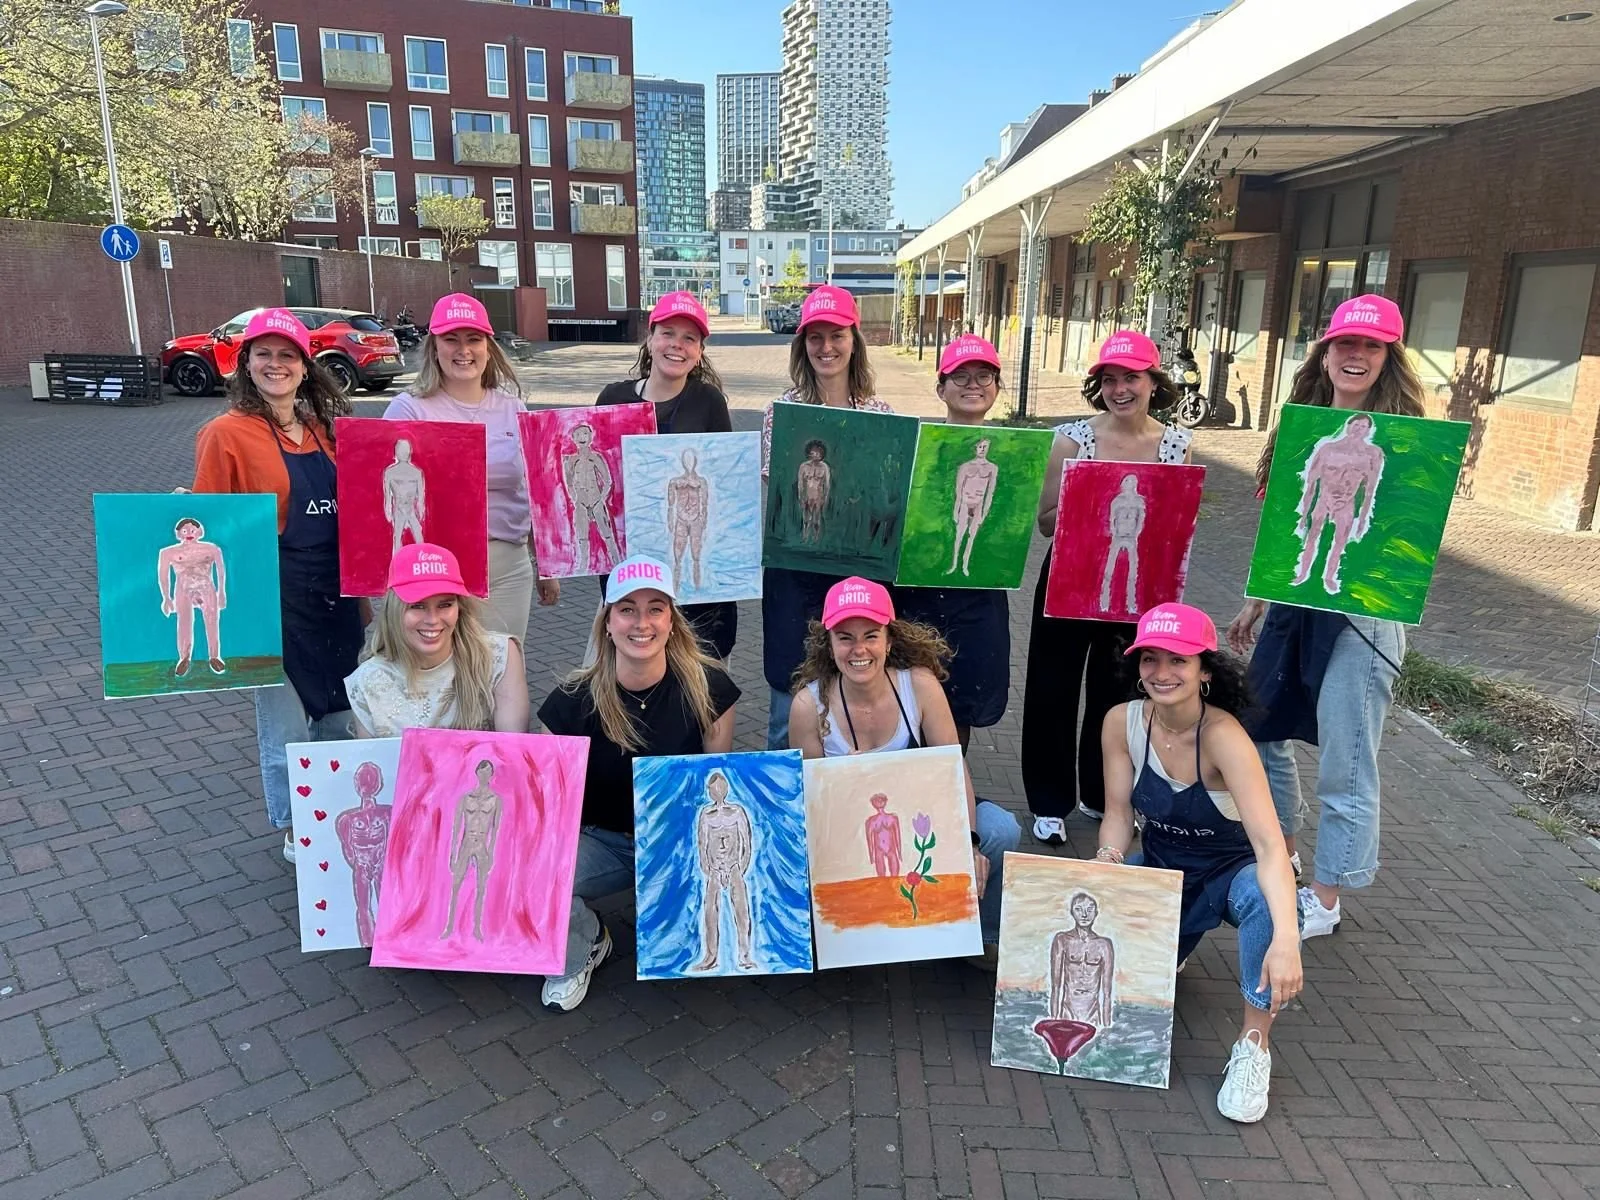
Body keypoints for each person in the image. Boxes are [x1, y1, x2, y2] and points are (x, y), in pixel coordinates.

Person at [1227, 294, 1422, 939]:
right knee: (1260, 730)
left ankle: (1327, 898)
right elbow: (1285, 518)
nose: (1356, 356)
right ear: (1327, 352)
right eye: (1346, 344)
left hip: (1362, 618)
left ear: (1388, 357)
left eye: (1371, 347)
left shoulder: (1410, 442)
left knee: (1348, 755)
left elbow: (1407, 536)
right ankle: (1281, 854)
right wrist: (1260, 595)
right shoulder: (1302, 428)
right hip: (1294, 602)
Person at [1098, 603, 1302, 1123]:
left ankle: (1253, 1048)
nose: (1162, 673)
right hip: (1164, 871)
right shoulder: (1122, 723)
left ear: (1204, 670)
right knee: (1103, 939)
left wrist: (1286, 938)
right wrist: (1107, 867)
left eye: (1178, 661)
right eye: (1150, 660)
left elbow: (1270, 846)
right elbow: (1119, 816)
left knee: (1267, 904)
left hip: (1230, 871)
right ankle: (1173, 943)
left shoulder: (1224, 737)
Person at [191, 307, 361, 863]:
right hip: (271, 595)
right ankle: (297, 829)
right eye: (263, 353)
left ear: (306, 365)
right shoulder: (225, 434)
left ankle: (333, 808)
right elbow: (212, 523)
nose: (275, 364)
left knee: (340, 708)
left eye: (287, 354)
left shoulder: (322, 429)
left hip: (335, 591)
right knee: (286, 720)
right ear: (245, 362)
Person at [537, 554, 739, 1011]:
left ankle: (688, 922)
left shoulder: (711, 691)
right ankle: (585, 944)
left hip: (680, 843)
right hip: (606, 841)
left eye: (655, 608)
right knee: (540, 872)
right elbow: (550, 805)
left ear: (672, 620)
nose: (641, 622)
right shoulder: (570, 703)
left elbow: (720, 780)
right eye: (627, 608)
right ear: (607, 622)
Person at [787, 577, 1022, 956]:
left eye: (871, 635)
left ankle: (982, 938)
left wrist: (970, 843)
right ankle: (852, 931)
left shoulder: (920, 686)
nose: (859, 649)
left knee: (1001, 830)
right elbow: (809, 805)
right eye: (845, 637)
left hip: (920, 818)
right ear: (828, 645)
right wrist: (842, 785)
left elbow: (953, 768)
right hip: (847, 831)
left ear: (889, 640)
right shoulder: (807, 706)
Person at [1021, 330, 1193, 845]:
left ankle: (1102, 794)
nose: (1121, 389)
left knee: (1117, 693)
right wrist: (1083, 501)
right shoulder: (1072, 439)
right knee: (1051, 690)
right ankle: (1049, 802)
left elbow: (1173, 528)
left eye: (1132, 378)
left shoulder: (1176, 443)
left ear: (1152, 383)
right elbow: (1046, 523)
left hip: (1137, 590)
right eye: (1110, 379)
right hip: (1069, 579)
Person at [760, 285, 896, 750]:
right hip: (794, 574)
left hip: (856, 572)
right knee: (788, 694)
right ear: (803, 346)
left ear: (854, 340)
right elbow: (777, 491)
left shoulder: (881, 415)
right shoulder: (781, 412)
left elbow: (886, 497)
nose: (826, 347)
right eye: (814, 338)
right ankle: (787, 802)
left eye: (836, 335)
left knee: (852, 683)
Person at [383, 293, 558, 643]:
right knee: (443, 680)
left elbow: (537, 490)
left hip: (508, 565)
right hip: (436, 569)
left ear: (488, 346)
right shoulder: (409, 410)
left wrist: (547, 565)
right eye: (451, 339)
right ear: (434, 347)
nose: (463, 350)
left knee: (504, 673)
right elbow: (374, 488)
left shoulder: (513, 410)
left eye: (473, 339)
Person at [596, 291, 737, 657]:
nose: (678, 345)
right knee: (636, 670)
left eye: (690, 338)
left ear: (700, 349)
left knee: (704, 682)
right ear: (650, 336)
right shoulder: (613, 399)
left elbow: (724, 482)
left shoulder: (708, 402)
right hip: (630, 569)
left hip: (699, 589)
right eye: (668, 333)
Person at [894, 335, 1013, 750]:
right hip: (917, 595)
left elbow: (1017, 520)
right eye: (959, 376)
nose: (972, 384)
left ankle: (949, 793)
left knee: (961, 703)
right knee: (909, 698)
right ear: (941, 387)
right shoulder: (915, 445)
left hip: (978, 600)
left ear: (997, 386)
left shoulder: (1016, 453)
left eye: (984, 375)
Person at [345, 543, 529, 738]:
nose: (433, 620)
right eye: (417, 606)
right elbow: (374, 767)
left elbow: (514, 753)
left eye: (445, 604)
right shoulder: (367, 681)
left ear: (460, 608)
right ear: (394, 610)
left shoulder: (499, 656)